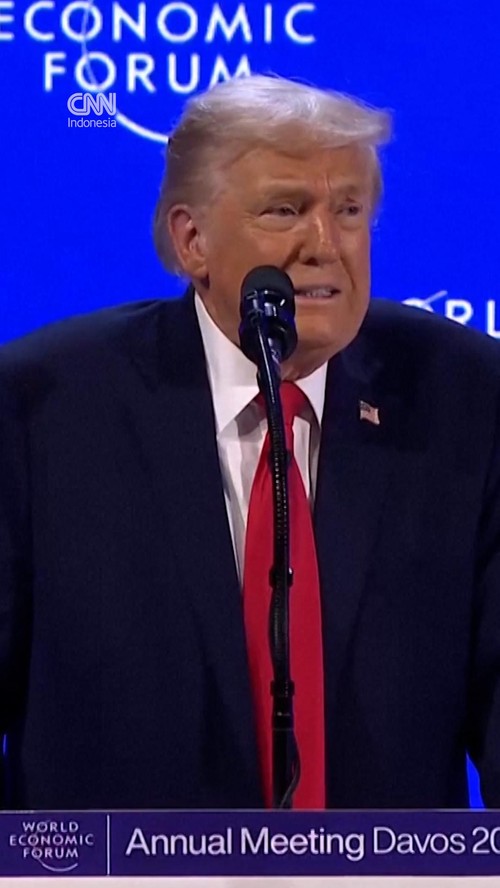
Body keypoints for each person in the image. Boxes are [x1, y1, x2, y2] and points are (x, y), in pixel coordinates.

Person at [1, 74, 499, 811]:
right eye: (285, 210)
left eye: (349, 210)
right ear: (192, 240)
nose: (325, 245)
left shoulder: (467, 397)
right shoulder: (43, 408)